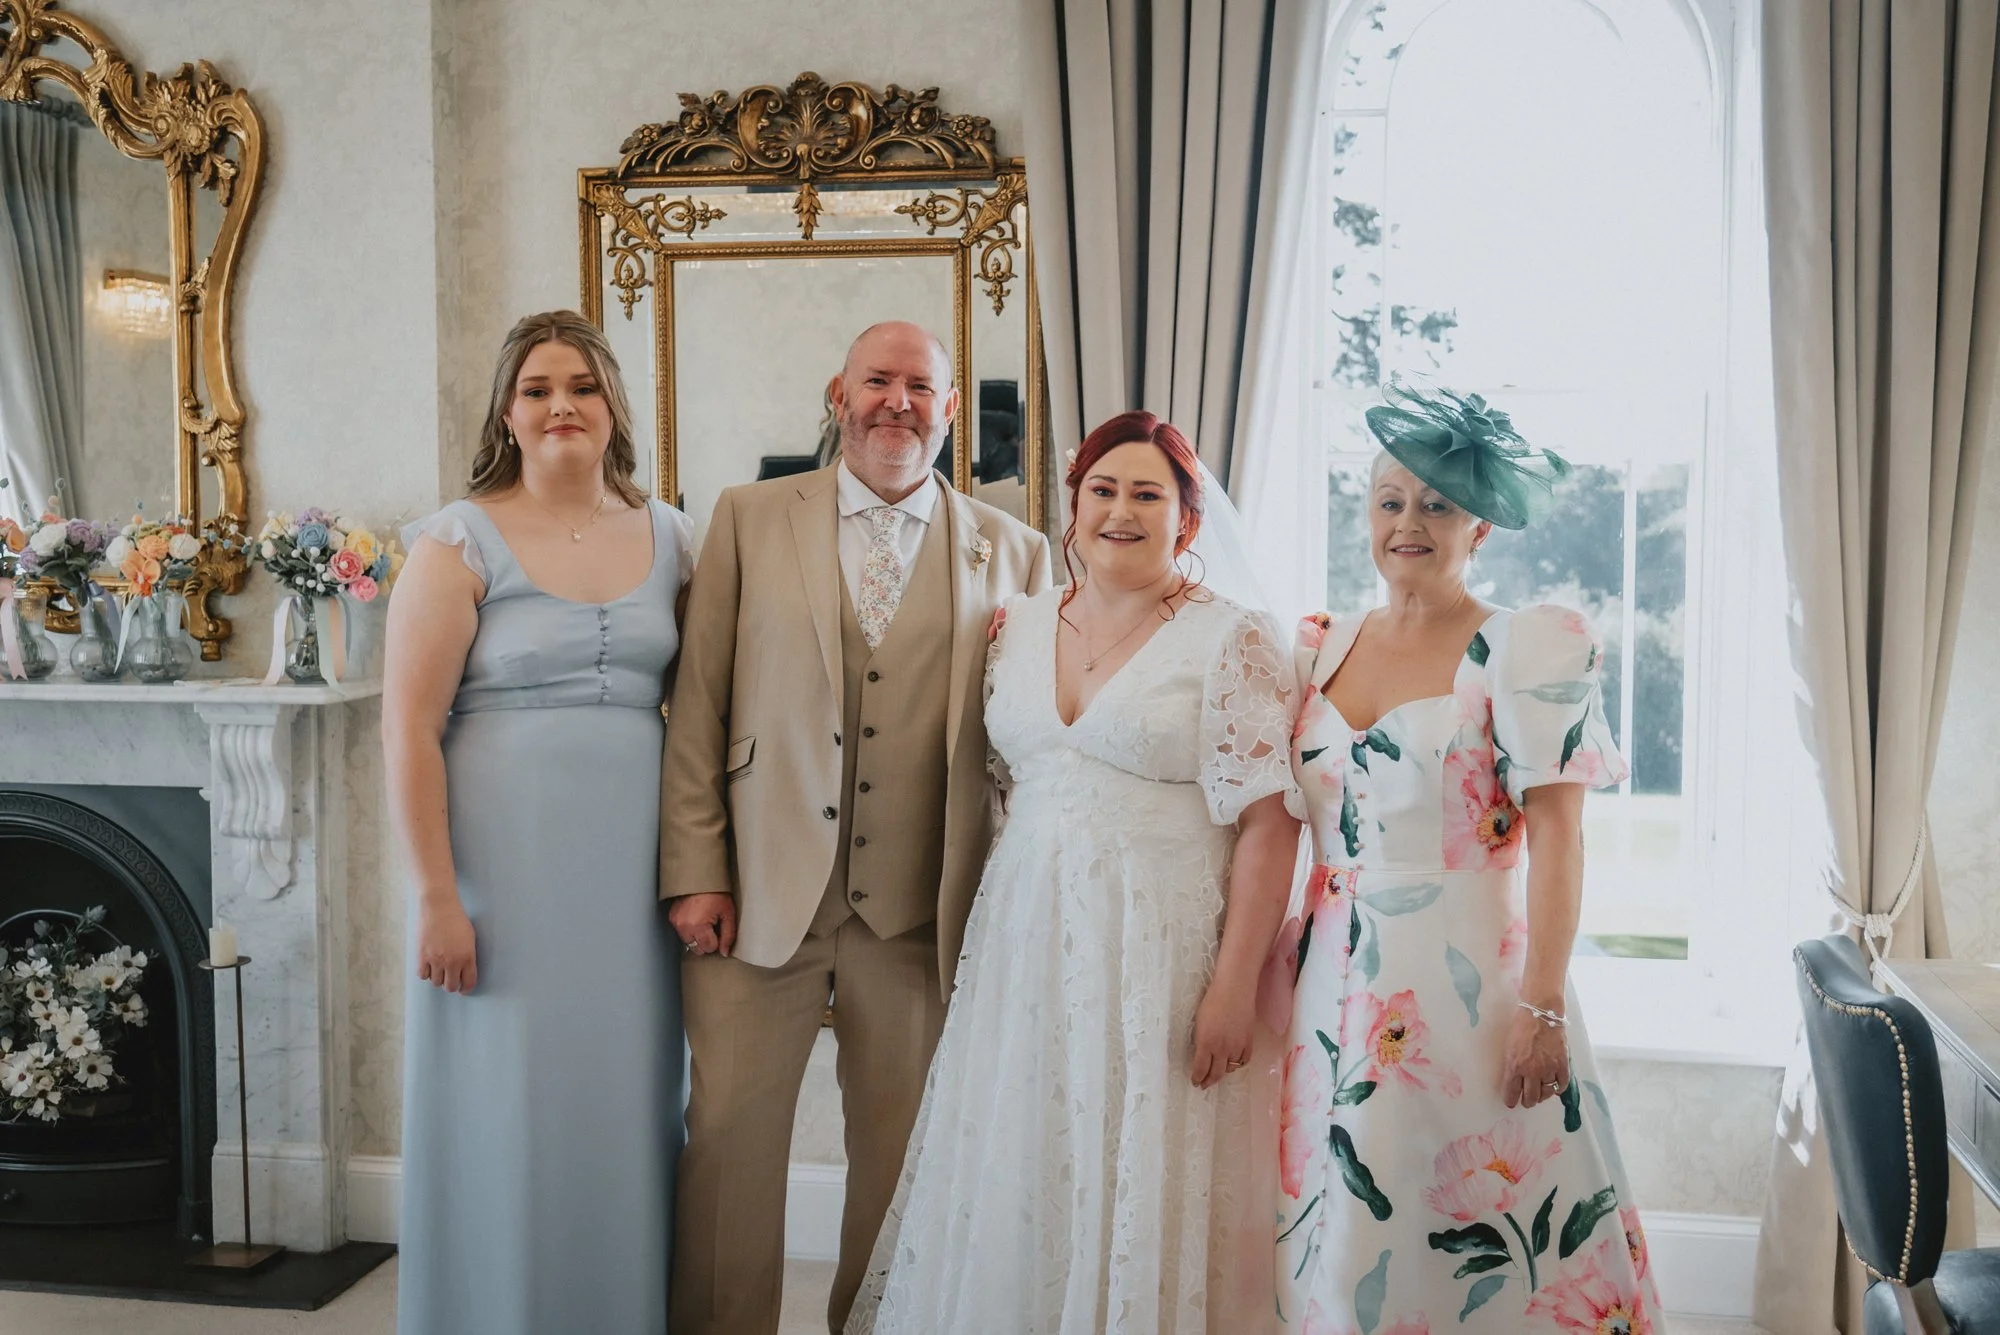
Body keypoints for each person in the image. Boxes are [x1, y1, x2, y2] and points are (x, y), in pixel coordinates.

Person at [849, 410, 1303, 1335]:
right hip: (1026, 942)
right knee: (1024, 1154)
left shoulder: (1234, 637)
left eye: (1148, 493)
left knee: (1139, 1163)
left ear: (1187, 518)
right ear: (1074, 501)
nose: (1121, 511)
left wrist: (1231, 987)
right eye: (1103, 489)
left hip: (1163, 954)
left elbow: (1269, 823)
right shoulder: (1014, 624)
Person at [662, 320, 1052, 1334]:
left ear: (950, 408)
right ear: (838, 394)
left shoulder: (1017, 552)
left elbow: (1034, 740)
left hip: (922, 911)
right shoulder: (748, 518)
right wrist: (694, 871)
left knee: (903, 1161)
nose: (897, 403)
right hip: (755, 895)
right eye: (877, 380)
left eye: (919, 386)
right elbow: (696, 708)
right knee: (729, 1151)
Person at [1273, 385, 1658, 1333]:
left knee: (1483, 1223)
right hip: (1333, 988)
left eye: (1437, 504)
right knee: (1356, 1211)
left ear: (1478, 525)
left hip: (1473, 987)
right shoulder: (1317, 648)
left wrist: (1543, 1003)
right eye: (1390, 500)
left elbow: (1562, 837)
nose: (1410, 522)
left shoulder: (1521, 646)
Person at [383, 311, 694, 1335]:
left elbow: (713, 715)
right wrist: (437, 899)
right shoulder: (455, 539)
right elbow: (408, 732)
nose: (561, 404)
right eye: (536, 388)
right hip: (494, 887)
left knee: (619, 1111)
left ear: (612, 410)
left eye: (582, 387)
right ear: (507, 414)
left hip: (624, 894)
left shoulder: (675, 538)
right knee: (502, 1113)